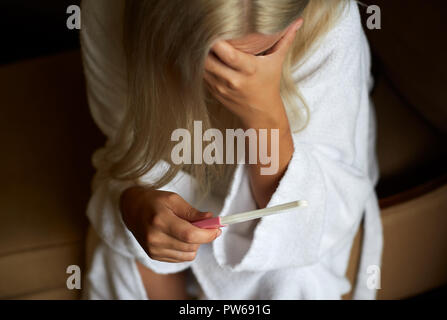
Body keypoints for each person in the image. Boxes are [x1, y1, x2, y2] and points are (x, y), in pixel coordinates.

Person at [80, 0, 383, 300]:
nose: (228, 76)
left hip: (290, 181)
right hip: (175, 169)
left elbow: (311, 217)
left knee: (292, 275)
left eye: (261, 53)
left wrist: (266, 114)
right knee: (128, 248)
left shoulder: (330, 21)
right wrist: (135, 203)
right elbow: (127, 145)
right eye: (211, 61)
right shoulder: (108, 9)